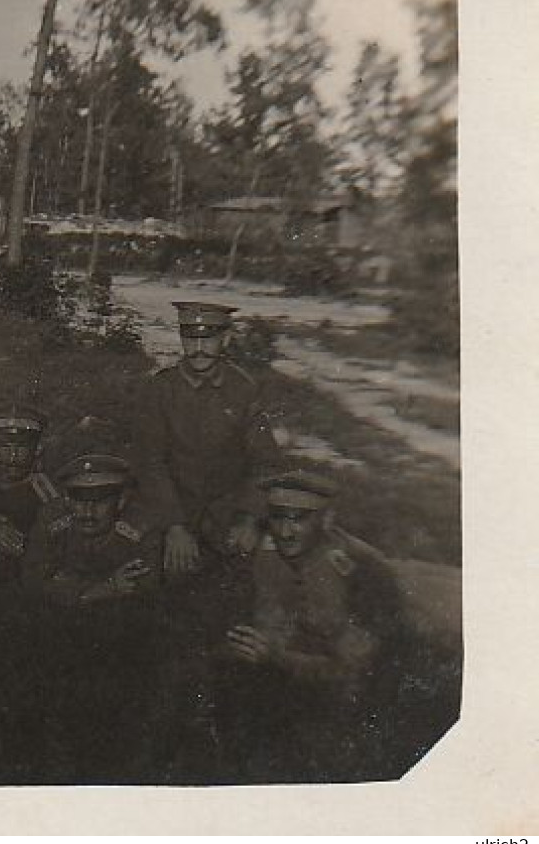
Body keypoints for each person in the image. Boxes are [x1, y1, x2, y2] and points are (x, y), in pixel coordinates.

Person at [217, 470, 397, 778]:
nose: (285, 532)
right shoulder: (262, 553)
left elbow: (354, 671)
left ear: (327, 521)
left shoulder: (357, 570)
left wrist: (275, 657)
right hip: (271, 688)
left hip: (335, 705)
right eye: (277, 517)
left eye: (299, 519)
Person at [134, 301, 283, 577]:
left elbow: (266, 461)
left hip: (228, 510)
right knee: (148, 572)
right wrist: (175, 525)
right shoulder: (161, 389)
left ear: (225, 338)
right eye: (190, 338)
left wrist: (249, 517)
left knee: (263, 568)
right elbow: (150, 462)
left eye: (208, 338)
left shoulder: (243, 390)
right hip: (173, 506)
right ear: (181, 338)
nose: (199, 348)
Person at [25, 450, 161, 608]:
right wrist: (106, 588)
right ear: (67, 500)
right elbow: (33, 582)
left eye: (100, 501)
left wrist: (72, 588)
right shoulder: (52, 522)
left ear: (121, 501)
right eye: (79, 501)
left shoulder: (141, 528)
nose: (88, 512)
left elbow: (144, 590)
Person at [0, 402, 62, 583]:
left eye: (22, 448)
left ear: (38, 449)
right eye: (6, 447)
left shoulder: (45, 489)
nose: (13, 457)